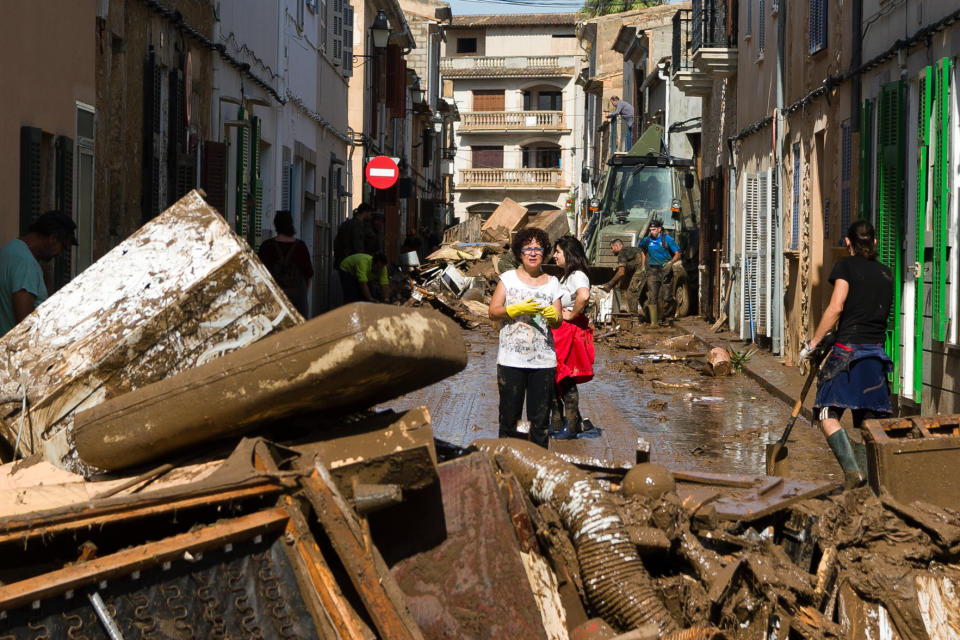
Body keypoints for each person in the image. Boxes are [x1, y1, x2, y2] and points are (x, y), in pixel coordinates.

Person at [800, 220, 894, 490]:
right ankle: (868, 488)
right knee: (869, 423)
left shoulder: (845, 266)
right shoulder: (887, 274)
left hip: (848, 354)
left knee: (826, 413)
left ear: (848, 243)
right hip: (876, 356)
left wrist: (814, 343)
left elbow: (837, 307)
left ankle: (854, 472)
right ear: (874, 243)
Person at [488, 227, 563, 448]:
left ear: (544, 252)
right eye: (527, 248)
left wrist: (553, 316)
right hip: (511, 361)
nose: (532, 253)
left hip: (543, 362)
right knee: (508, 420)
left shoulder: (553, 282)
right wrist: (514, 309)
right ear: (520, 253)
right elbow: (493, 311)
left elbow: (558, 319)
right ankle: (507, 467)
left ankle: (537, 469)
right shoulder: (508, 278)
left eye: (537, 249)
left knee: (539, 423)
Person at [0, 210, 77, 337]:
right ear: (53, 238)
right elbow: (25, 325)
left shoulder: (9, 249)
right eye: (62, 247)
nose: (59, 254)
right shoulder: (26, 264)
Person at [549, 236, 596, 440]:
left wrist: (572, 314)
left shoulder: (577, 274)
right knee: (554, 376)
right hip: (561, 330)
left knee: (564, 377)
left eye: (558, 251)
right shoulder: (567, 275)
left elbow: (583, 296)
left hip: (567, 332)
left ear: (568, 253)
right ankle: (560, 422)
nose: (554, 255)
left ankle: (570, 424)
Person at [258, 210, 314, 317]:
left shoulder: (267, 246)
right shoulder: (300, 247)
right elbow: (309, 275)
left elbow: (259, 274)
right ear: (291, 225)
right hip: (297, 301)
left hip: (273, 299)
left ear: (276, 225)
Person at [637, 218, 681, 326]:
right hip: (652, 270)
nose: (651, 232)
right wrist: (643, 266)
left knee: (667, 297)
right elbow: (643, 250)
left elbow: (677, 253)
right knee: (652, 297)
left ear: (659, 229)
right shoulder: (647, 240)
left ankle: (673, 306)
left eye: (654, 230)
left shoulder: (667, 239)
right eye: (650, 230)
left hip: (665, 270)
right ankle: (654, 323)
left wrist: (670, 263)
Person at [601, 238, 643, 318]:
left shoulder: (622, 253)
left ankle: (634, 319)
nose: (611, 251)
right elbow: (624, 272)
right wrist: (618, 285)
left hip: (642, 271)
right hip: (649, 270)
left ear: (616, 246)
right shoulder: (630, 251)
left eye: (611, 248)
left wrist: (610, 284)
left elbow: (621, 272)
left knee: (631, 293)